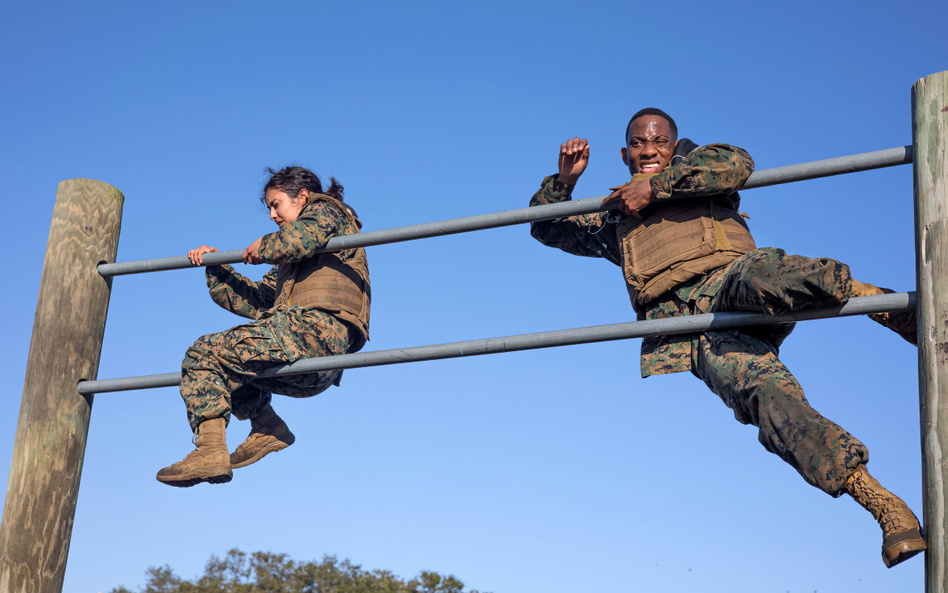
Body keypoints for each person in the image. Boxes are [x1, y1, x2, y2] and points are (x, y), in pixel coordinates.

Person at [528, 108, 924, 568]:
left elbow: (737, 162)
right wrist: (565, 182)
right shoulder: (616, 219)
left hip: (733, 281)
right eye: (638, 144)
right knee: (773, 405)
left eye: (658, 142)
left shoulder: (698, 171)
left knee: (771, 274)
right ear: (625, 152)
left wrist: (654, 188)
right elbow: (545, 226)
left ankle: (885, 306)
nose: (649, 150)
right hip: (695, 329)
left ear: (674, 148)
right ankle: (884, 506)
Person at [157, 166, 371, 488]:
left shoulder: (326, 211)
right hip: (306, 357)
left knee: (203, 355)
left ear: (302, 197)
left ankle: (210, 451)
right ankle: (267, 426)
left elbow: (299, 238)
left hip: (315, 333)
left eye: (276, 204)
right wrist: (218, 269)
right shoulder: (292, 256)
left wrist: (266, 246)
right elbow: (258, 302)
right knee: (232, 365)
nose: (272, 215)